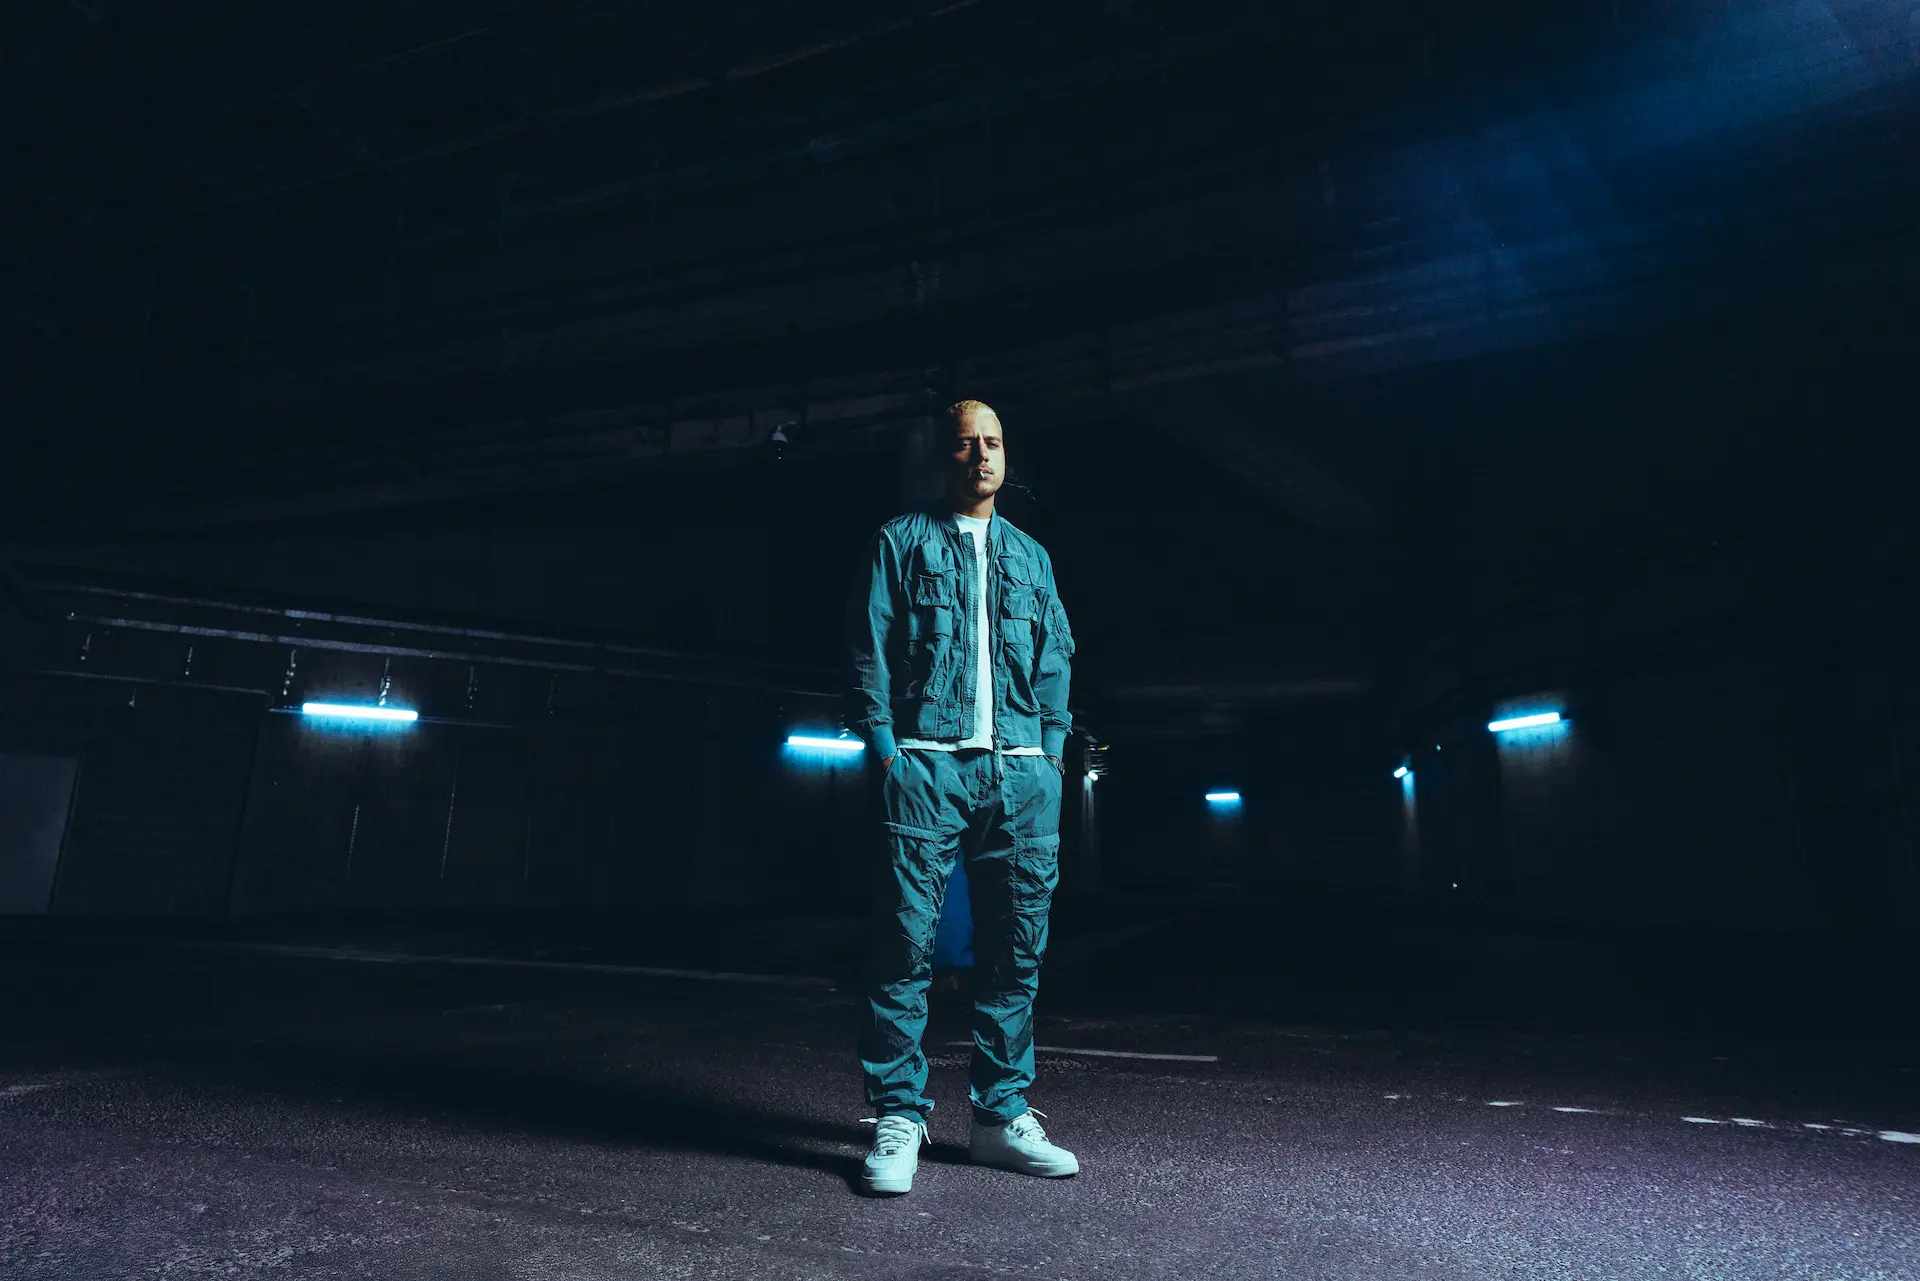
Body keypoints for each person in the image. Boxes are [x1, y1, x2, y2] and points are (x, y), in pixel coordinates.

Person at [842, 399, 1079, 1195]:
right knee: (904, 946)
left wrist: (1047, 757)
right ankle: (899, 1117)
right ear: (943, 459)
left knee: (1016, 952)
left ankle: (998, 1117)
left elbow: (1055, 660)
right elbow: (867, 651)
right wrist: (887, 753)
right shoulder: (898, 542)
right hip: (926, 767)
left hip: (1020, 776)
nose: (982, 455)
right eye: (966, 444)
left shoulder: (1033, 557)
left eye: (994, 443)